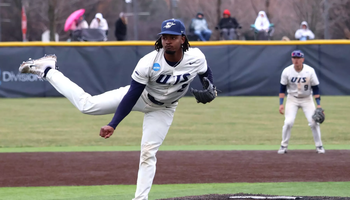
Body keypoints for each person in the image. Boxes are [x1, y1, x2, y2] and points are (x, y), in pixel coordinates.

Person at [18, 18, 216, 200]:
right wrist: (114, 123)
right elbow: (132, 95)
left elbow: (205, 72)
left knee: (148, 152)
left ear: (183, 39)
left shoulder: (196, 56)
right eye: (164, 37)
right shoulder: (149, 62)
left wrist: (210, 88)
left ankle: (140, 199)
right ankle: (48, 70)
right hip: (140, 97)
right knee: (87, 105)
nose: (167, 41)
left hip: (164, 109)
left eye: (173, 37)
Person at [278, 50, 325, 154]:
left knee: (314, 122)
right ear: (291, 59)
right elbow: (282, 89)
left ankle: (319, 146)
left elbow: (316, 88)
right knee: (288, 122)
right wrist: (281, 104)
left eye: (298, 58)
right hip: (292, 98)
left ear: (302, 60)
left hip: (307, 99)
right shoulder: (287, 71)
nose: (296, 60)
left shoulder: (310, 71)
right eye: (294, 58)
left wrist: (319, 105)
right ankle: (283, 146)